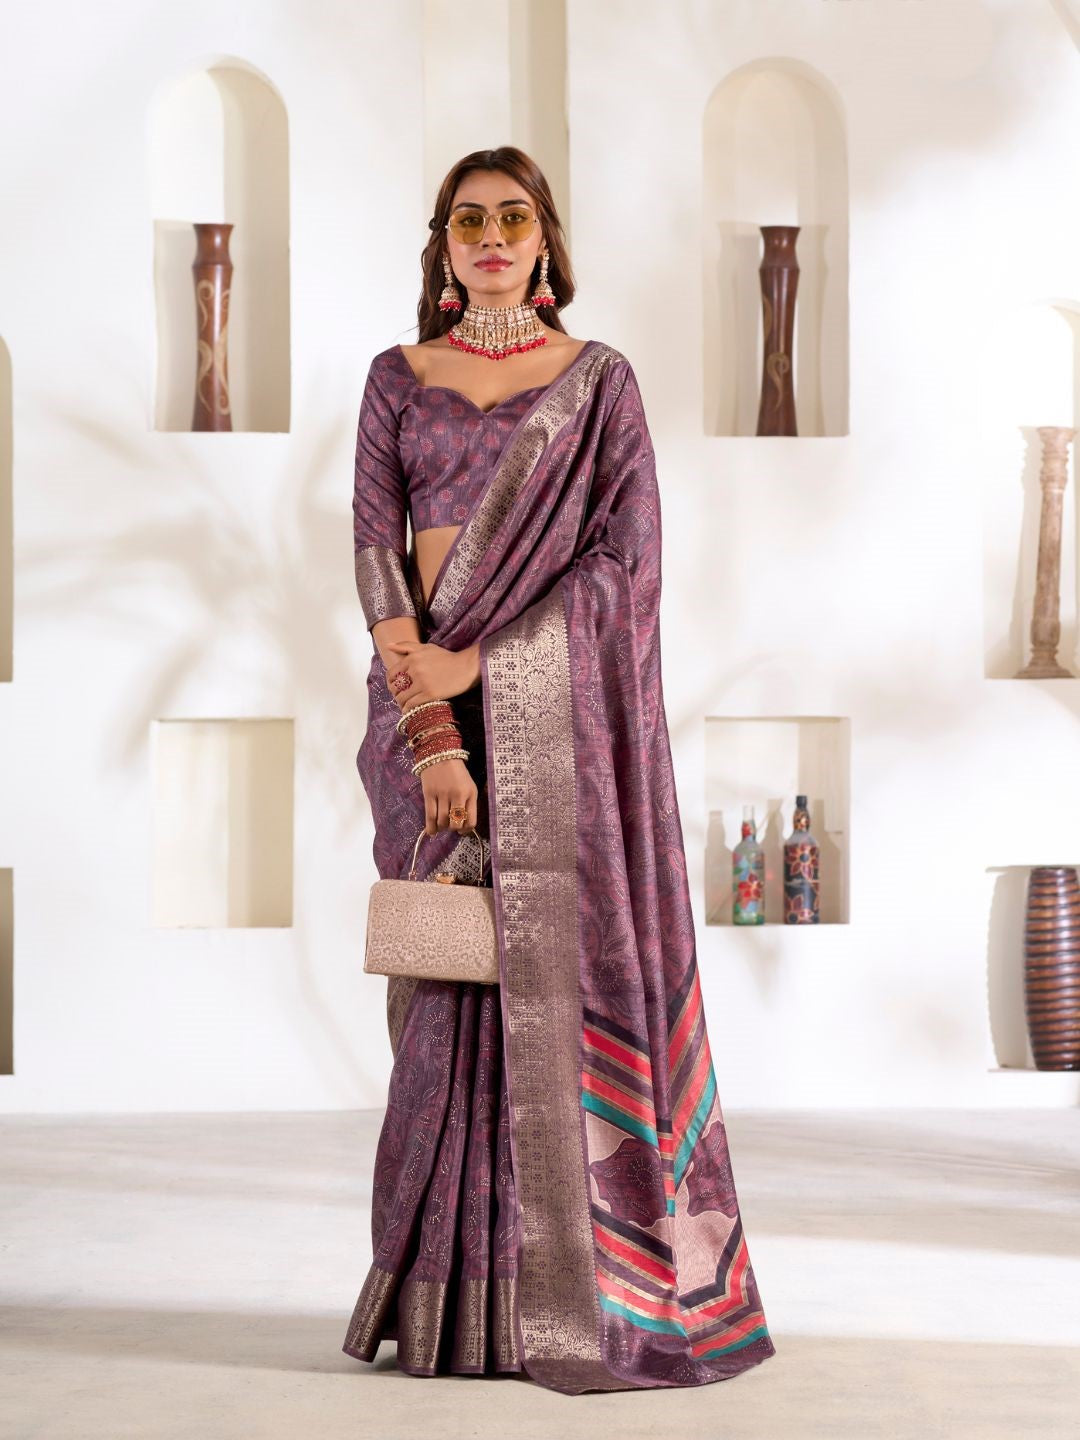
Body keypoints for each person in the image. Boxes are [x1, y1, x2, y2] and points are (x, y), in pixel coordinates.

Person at [343, 145, 776, 1395]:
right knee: (446, 1002)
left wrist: (481, 663)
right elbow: (376, 558)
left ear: (545, 242)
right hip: (423, 712)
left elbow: (628, 565)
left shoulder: (599, 384)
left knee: (554, 990)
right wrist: (432, 726)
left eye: (514, 218)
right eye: (468, 220)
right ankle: (446, 1308)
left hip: (551, 722)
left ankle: (580, 1299)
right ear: (442, 243)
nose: (491, 237)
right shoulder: (396, 377)